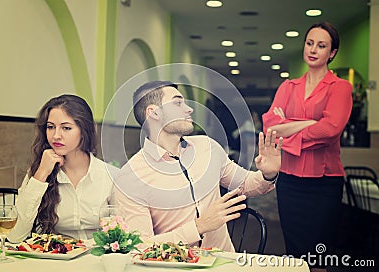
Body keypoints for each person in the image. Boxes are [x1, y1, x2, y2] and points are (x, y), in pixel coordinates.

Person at [114, 81, 283, 252]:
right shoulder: (130, 177)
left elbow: (245, 184)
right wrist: (198, 227)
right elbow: (140, 247)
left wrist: (267, 174)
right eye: (178, 103)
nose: (189, 109)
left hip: (224, 262)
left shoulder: (208, 147)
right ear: (154, 113)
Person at [262, 22, 352, 272]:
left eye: (321, 46)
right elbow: (270, 126)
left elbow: (330, 129)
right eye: (310, 43)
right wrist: (307, 123)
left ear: (331, 53)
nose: (313, 49)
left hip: (324, 184)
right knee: (295, 258)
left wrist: (287, 126)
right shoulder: (287, 87)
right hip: (289, 182)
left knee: (318, 259)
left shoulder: (340, 88)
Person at [8, 94, 118, 243]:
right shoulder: (38, 173)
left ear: (84, 131)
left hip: (98, 259)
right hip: (56, 259)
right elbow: (15, 236)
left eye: (66, 128)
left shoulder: (111, 176)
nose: (56, 136)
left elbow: (123, 233)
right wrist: (41, 174)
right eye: (50, 127)